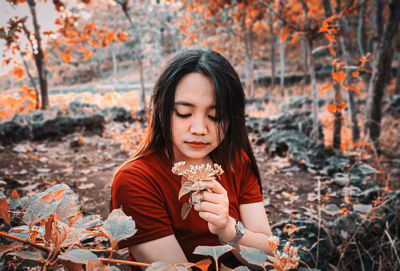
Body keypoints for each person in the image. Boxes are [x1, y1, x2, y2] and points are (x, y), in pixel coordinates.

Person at [111, 49, 272, 270]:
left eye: (215, 116)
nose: (199, 129)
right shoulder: (135, 180)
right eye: (184, 112)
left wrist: (228, 229)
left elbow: (270, 258)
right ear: (163, 111)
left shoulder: (236, 161)